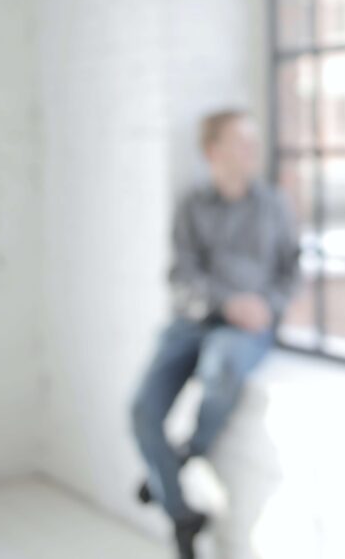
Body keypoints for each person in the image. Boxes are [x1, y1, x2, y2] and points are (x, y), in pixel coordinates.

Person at [131, 109, 299, 559]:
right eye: (241, 141)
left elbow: (290, 272)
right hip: (193, 321)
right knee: (143, 410)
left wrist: (266, 306)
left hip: (247, 330)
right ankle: (181, 513)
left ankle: (184, 455)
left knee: (220, 366)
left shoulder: (274, 205)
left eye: (253, 141)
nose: (252, 150)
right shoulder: (192, 205)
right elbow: (181, 276)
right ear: (213, 151)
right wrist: (226, 303)